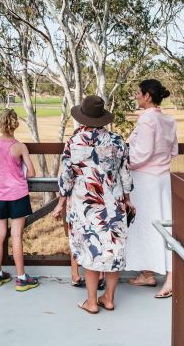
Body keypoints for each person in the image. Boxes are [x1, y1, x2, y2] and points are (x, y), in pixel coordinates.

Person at [53, 95, 133, 314]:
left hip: (85, 205)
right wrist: (127, 200)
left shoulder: (75, 141)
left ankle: (91, 301)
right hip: (113, 204)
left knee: (89, 249)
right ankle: (108, 298)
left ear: (83, 117)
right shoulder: (117, 141)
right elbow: (126, 175)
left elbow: (66, 177)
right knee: (113, 250)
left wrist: (61, 200)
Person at [124, 79, 180, 299]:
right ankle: (147, 274)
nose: (136, 96)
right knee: (162, 226)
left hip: (146, 180)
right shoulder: (168, 120)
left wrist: (123, 161)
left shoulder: (147, 119)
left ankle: (169, 279)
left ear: (147, 96)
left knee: (148, 227)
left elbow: (142, 153)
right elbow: (173, 151)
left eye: (138, 93)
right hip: (163, 179)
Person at [0, 109, 40, 291]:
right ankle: (21, 278)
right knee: (16, 235)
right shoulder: (20, 147)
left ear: (0, 123)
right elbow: (32, 172)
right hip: (18, 194)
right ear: (15, 124)